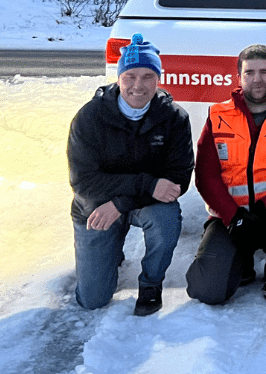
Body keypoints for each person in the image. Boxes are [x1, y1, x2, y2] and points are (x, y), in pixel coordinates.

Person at [67, 34, 193, 316]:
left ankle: (151, 283)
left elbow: (178, 179)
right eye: (130, 76)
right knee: (92, 299)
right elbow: (83, 182)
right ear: (119, 77)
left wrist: (121, 204)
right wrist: (147, 184)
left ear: (159, 79)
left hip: (136, 204)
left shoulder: (174, 118)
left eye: (148, 76)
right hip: (96, 204)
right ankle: (110, 247)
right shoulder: (89, 117)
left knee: (166, 218)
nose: (139, 85)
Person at [185, 44, 266, 304]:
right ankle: (239, 259)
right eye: (250, 72)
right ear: (239, 77)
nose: (257, 79)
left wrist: (262, 212)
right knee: (208, 290)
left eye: (265, 72)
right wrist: (234, 217)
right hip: (230, 215)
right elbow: (206, 175)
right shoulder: (218, 114)